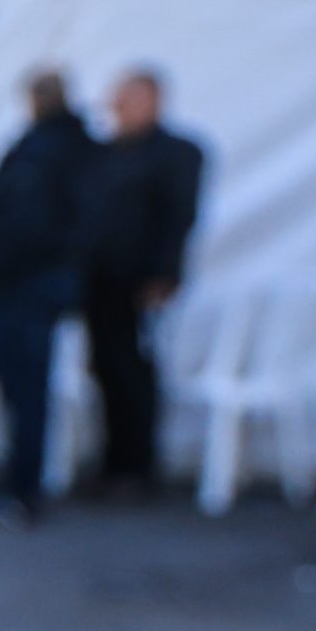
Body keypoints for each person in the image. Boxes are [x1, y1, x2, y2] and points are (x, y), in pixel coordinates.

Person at [0, 69, 94, 525]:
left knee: (27, 388)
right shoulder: (66, 146)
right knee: (23, 388)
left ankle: (24, 486)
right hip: (35, 282)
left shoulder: (48, 149)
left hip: (27, 284)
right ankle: (20, 480)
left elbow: (27, 221)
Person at [81, 68, 206, 497]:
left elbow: (179, 218)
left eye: (134, 97)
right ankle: (114, 462)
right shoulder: (104, 152)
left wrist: (163, 275)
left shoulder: (176, 153)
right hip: (100, 280)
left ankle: (136, 466)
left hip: (139, 281)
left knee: (134, 372)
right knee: (105, 369)